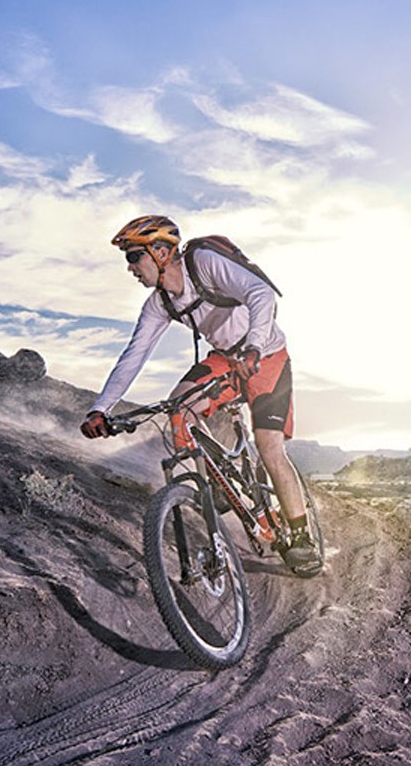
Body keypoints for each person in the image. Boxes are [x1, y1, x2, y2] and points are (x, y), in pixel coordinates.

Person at [80, 214, 319, 572]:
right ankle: (218, 482)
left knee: (269, 447)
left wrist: (254, 346)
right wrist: (100, 409)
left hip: (266, 357)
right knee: (180, 410)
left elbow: (260, 293)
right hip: (226, 360)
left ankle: (301, 539)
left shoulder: (204, 264)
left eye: (134, 257)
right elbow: (134, 355)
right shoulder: (159, 304)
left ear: (161, 252)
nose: (130, 268)